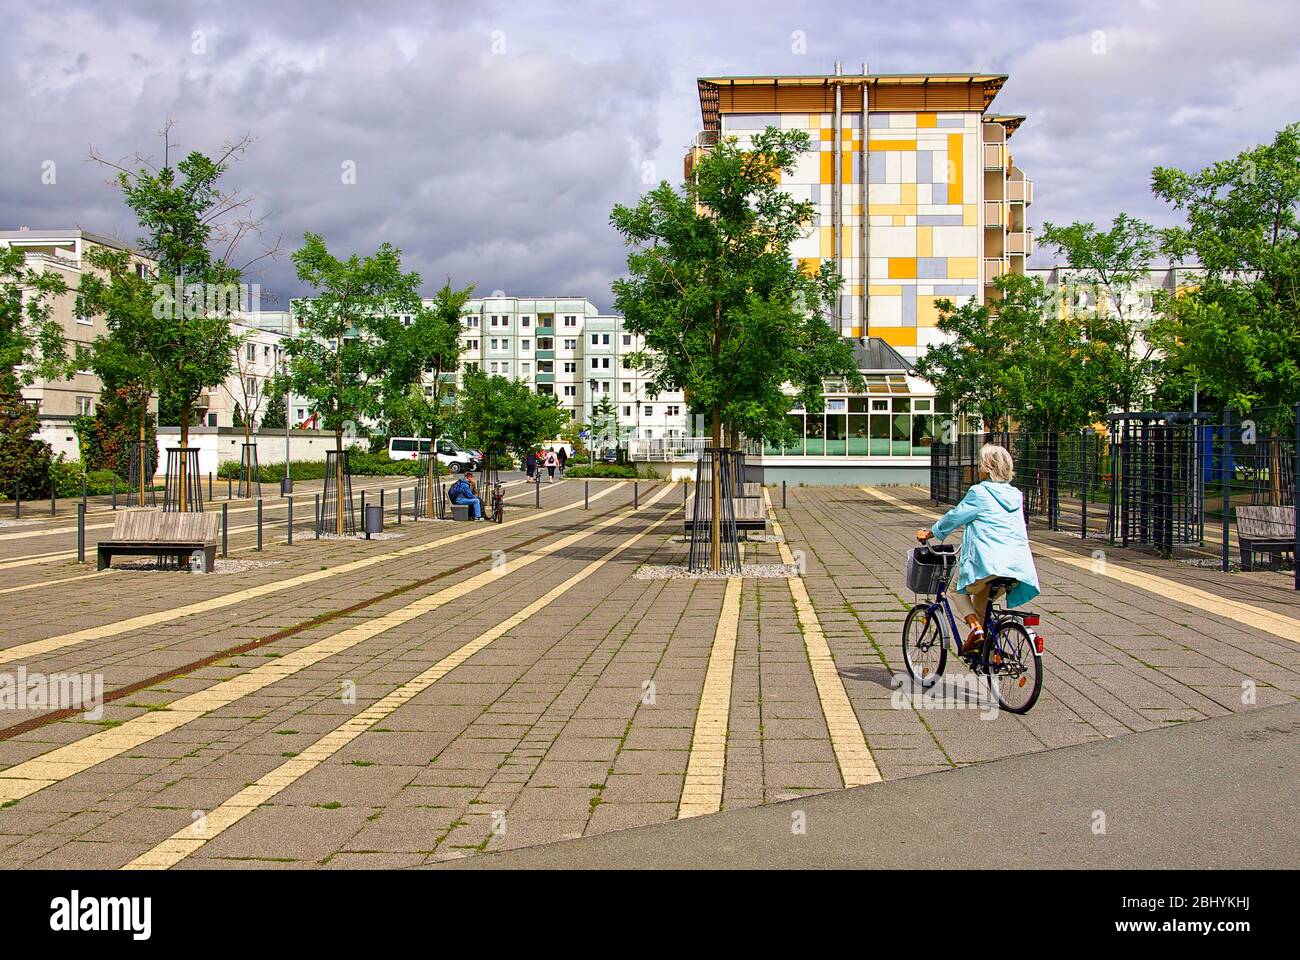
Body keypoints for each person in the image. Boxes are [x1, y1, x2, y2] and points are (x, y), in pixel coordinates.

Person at [916, 443, 1040, 654]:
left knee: (955, 591)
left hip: (988, 563)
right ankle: (984, 650)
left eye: (981, 464)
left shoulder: (979, 492)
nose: (978, 468)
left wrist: (930, 533)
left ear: (988, 467)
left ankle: (975, 628)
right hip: (1017, 566)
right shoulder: (1015, 495)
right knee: (982, 602)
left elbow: (955, 517)